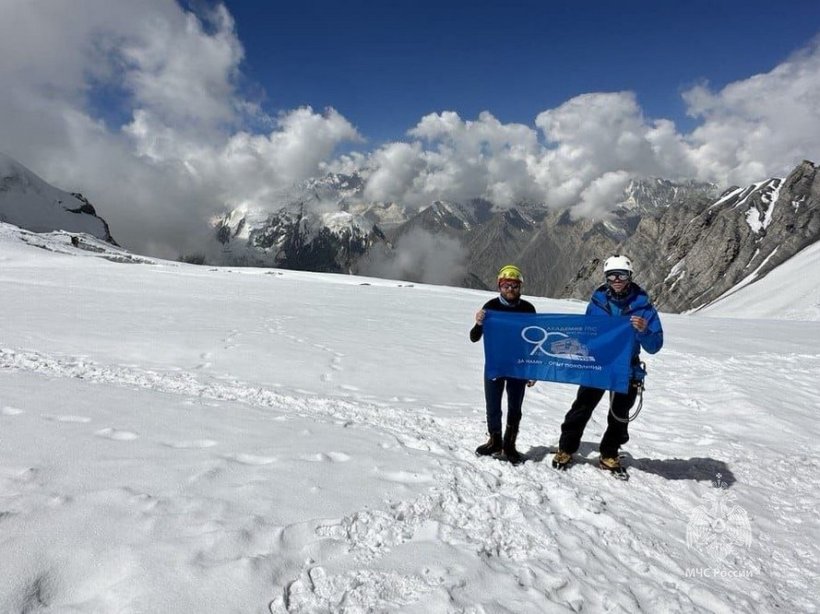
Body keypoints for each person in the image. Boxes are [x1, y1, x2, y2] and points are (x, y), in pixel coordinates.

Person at [552, 255, 663, 473]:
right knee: (581, 407)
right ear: (606, 278)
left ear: (630, 276)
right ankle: (566, 447)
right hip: (598, 363)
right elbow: (586, 331)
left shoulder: (643, 307)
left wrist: (644, 331)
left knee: (619, 415)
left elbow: (655, 345)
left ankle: (609, 453)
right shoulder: (597, 302)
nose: (617, 280)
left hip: (626, 367)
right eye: (612, 276)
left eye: (621, 275)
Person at [470, 264, 536, 464]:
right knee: (493, 404)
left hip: (518, 365)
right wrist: (479, 323)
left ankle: (510, 444)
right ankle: (495, 441)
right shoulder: (490, 307)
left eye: (514, 286)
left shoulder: (528, 309)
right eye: (506, 285)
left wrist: (533, 369)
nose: (510, 289)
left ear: (520, 287)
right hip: (495, 365)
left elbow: (534, 341)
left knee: (515, 407)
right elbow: (474, 337)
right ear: (499, 286)